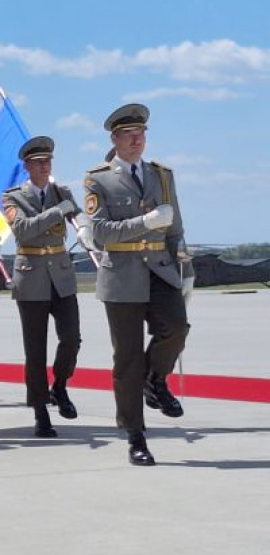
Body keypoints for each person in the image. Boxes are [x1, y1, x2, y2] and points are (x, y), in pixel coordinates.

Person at [84, 103, 190, 466]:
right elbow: (101, 233)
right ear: (114, 139)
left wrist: (185, 267)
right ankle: (135, 435)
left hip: (160, 269)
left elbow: (175, 226)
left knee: (176, 328)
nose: (136, 140)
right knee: (127, 358)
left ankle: (155, 378)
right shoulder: (98, 179)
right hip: (122, 275)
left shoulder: (162, 175)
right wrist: (145, 222)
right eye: (129, 135)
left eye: (141, 133)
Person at [2, 136, 89, 437]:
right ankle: (40, 411)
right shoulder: (13, 197)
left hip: (61, 275)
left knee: (72, 338)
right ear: (27, 166)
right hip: (31, 277)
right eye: (38, 162)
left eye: (47, 161)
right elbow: (23, 230)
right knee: (35, 350)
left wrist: (84, 227)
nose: (44, 166)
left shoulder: (61, 191)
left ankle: (60, 385)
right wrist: (56, 211)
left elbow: (76, 215)